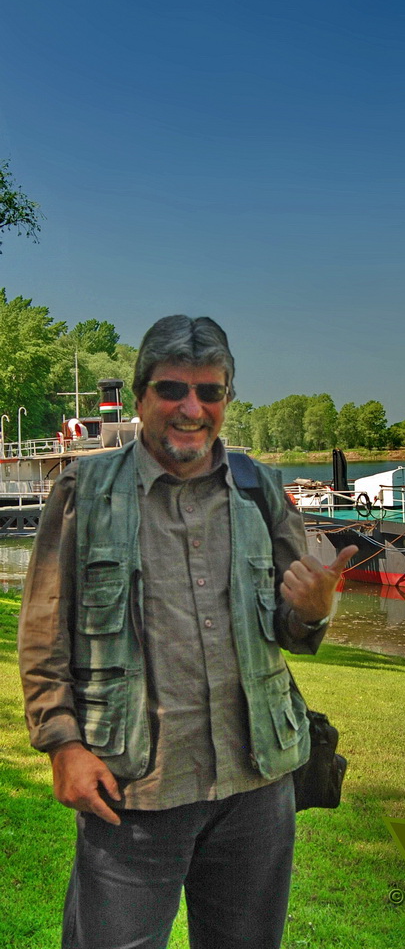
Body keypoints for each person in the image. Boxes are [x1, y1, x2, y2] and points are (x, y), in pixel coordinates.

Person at [17, 315, 357, 949]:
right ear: (143, 396)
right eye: (173, 389)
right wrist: (63, 744)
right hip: (133, 791)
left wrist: (314, 608)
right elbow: (43, 635)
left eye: (211, 392)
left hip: (256, 792)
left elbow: (290, 627)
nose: (191, 409)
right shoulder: (84, 492)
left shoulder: (259, 490)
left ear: (227, 399)